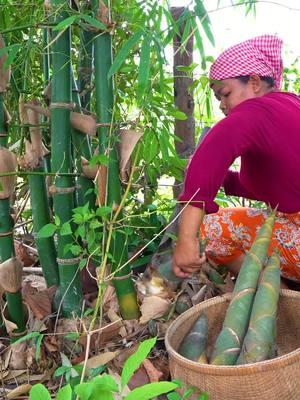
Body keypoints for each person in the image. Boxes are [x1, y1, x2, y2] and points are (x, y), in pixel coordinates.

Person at [172, 35, 300, 284]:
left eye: (225, 94)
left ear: (253, 82)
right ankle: (281, 288)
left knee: (212, 231)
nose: (222, 105)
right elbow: (281, 185)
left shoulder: (253, 112)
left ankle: (274, 293)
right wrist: (226, 180)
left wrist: (186, 239)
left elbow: (207, 160)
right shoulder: (291, 103)